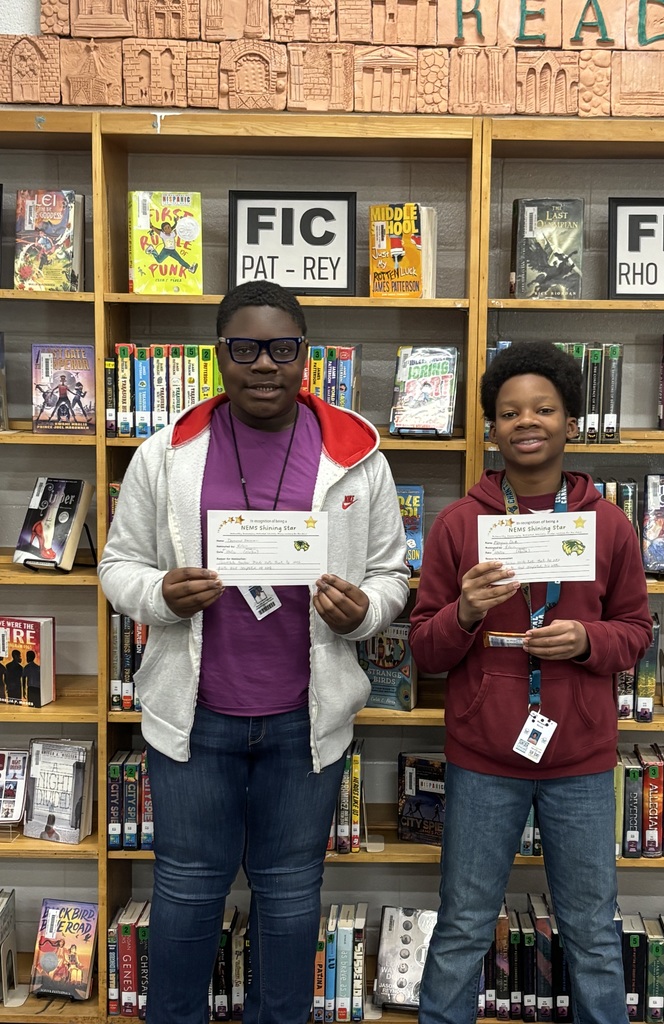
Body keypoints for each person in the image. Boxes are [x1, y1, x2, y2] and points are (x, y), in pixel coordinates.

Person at [98, 279, 409, 1024]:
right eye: (244, 348)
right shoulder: (166, 454)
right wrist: (159, 596)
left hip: (308, 721)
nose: (263, 364)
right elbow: (118, 567)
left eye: (281, 348)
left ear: (306, 356)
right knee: (186, 888)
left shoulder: (356, 454)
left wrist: (366, 612)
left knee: (292, 889)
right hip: (195, 716)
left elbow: (393, 573)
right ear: (219, 357)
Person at [409, 340, 653, 1024]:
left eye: (544, 408)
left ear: (571, 421)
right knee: (462, 924)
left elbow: (635, 631)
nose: (527, 422)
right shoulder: (461, 523)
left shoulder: (609, 526)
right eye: (510, 411)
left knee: (593, 930)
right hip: (485, 758)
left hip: (578, 758)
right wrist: (466, 610)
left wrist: (587, 641)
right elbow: (427, 647)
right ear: (490, 427)